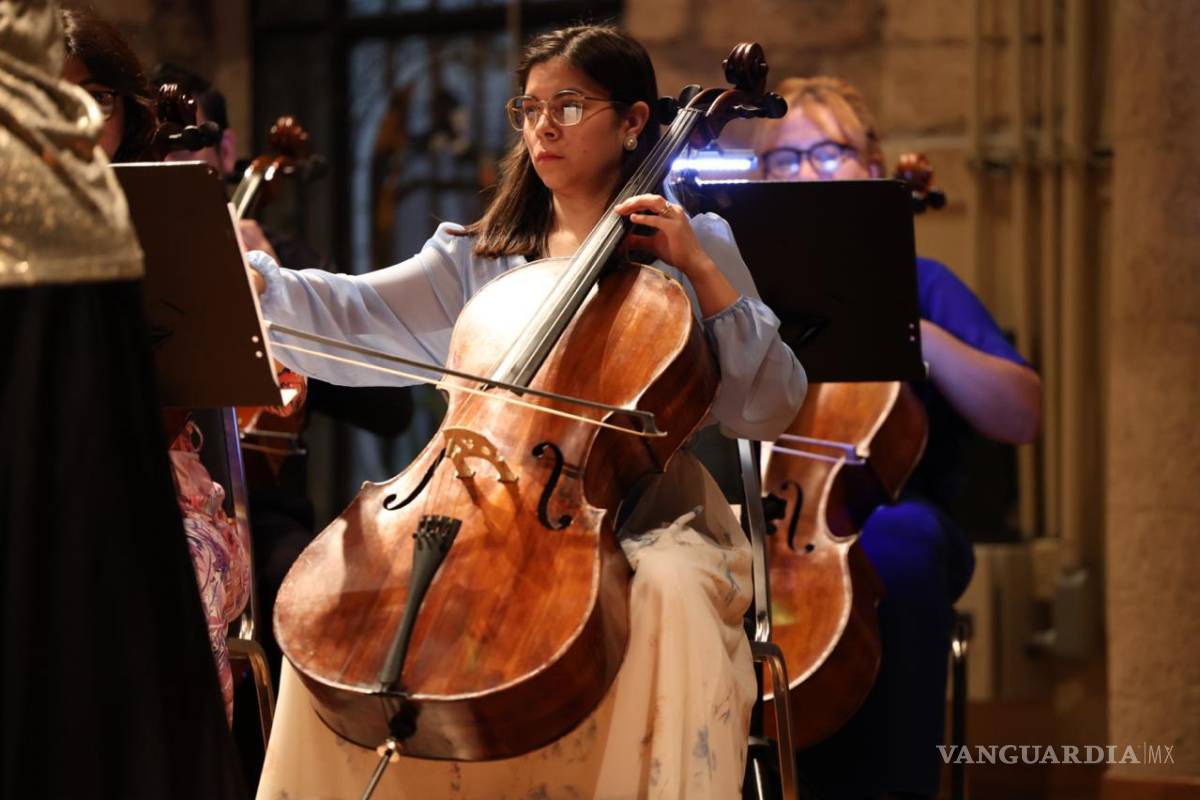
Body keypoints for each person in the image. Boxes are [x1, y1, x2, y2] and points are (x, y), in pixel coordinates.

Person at [249, 24, 805, 800]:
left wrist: (702, 273)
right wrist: (258, 284)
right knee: (353, 603)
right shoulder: (484, 254)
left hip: (644, 516)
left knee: (670, 590)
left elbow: (767, 405)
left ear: (635, 121)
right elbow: (352, 317)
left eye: (569, 105)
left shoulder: (692, 242)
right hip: (479, 509)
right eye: (530, 108)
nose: (543, 125)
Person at [755, 76, 1042, 799]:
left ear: (874, 168)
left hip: (886, 514)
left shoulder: (923, 282)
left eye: (829, 153)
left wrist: (911, 329)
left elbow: (1021, 414)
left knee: (898, 550)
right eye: (784, 162)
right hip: (760, 518)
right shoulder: (739, 293)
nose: (808, 173)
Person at [0, 3, 244, 797]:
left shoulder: (165, 212)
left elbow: (179, 393)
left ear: (129, 112)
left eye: (96, 98)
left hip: (148, 487)